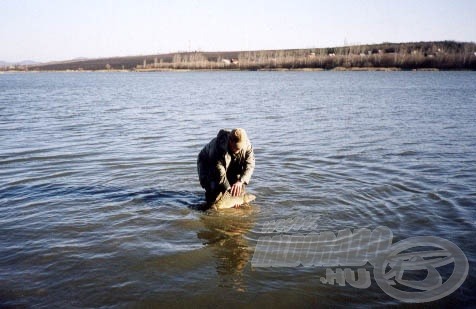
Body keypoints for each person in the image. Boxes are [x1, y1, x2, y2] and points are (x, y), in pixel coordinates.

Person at [197, 128, 255, 206]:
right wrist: (230, 192)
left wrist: (240, 181)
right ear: (230, 141)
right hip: (208, 162)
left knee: (238, 189)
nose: (239, 150)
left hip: (230, 161)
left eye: (240, 148)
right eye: (237, 148)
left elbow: (250, 166)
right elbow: (220, 175)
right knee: (214, 191)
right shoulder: (218, 148)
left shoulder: (247, 145)